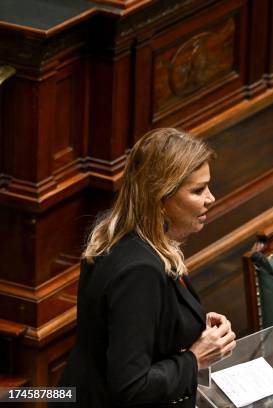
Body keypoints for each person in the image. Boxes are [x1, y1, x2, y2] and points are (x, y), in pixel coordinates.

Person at [55, 128, 236, 407]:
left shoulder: (127, 235)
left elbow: (136, 326)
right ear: (161, 198)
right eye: (198, 190)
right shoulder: (139, 270)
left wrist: (193, 326)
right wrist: (196, 358)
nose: (210, 198)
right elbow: (132, 385)